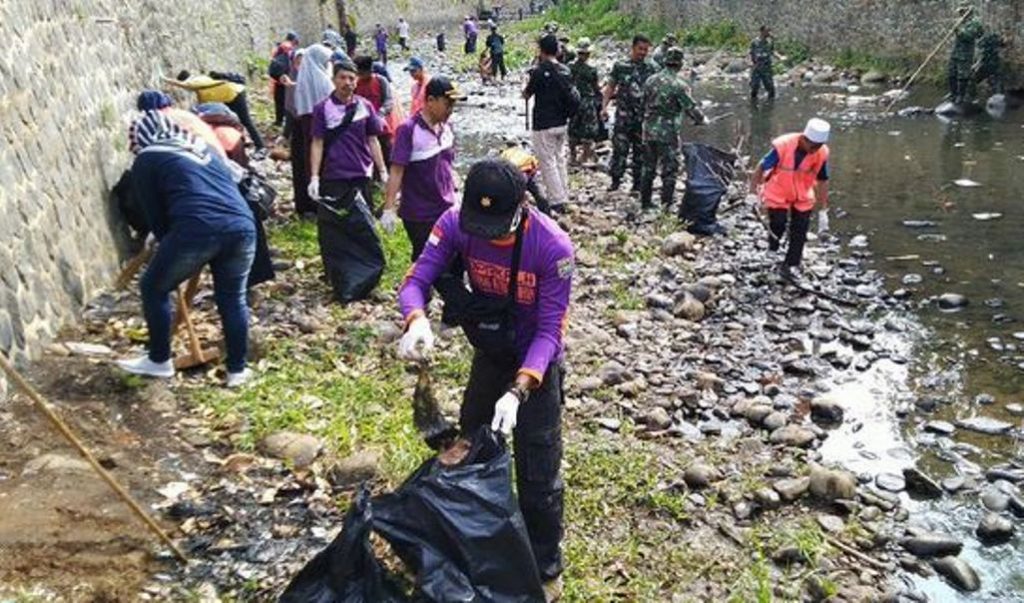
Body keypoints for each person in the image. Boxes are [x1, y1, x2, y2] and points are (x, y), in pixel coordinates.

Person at [397, 158, 574, 603]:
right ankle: (474, 542)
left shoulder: (553, 248)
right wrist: (415, 319)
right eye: (481, 224)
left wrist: (519, 391)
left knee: (537, 470)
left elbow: (551, 330)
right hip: (491, 350)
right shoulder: (455, 223)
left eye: (496, 226)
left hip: (535, 359)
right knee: (471, 447)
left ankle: (545, 565)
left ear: (522, 207)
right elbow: (417, 279)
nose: (486, 234)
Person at [118, 111, 256, 387]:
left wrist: (165, 242)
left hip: (197, 228)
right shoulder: (202, 148)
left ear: (140, 137)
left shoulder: (147, 158)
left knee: (153, 287)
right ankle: (237, 370)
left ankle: (159, 360)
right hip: (242, 226)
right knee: (232, 297)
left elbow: (155, 216)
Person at [382, 76, 464, 260]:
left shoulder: (447, 128)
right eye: (447, 103)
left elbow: (448, 165)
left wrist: (456, 190)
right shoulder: (408, 130)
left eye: (453, 104)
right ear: (430, 100)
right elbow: (396, 170)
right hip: (420, 213)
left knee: (456, 258)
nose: (451, 109)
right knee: (427, 260)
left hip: (447, 206)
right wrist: (389, 208)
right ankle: (419, 289)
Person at [749, 118, 831, 281]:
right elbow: (761, 166)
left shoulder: (821, 153)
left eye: (819, 146)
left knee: (800, 230)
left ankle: (792, 263)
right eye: (813, 146)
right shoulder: (784, 145)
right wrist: (752, 193)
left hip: (803, 194)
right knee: (778, 223)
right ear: (804, 139)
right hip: (778, 191)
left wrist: (823, 211)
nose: (814, 150)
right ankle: (773, 247)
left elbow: (823, 181)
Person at [307, 56, 389, 215]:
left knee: (364, 222)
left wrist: (383, 171)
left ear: (356, 81)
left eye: (351, 78)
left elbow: (373, 140)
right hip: (334, 174)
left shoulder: (365, 106)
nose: (347, 82)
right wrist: (315, 177)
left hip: (362, 172)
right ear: (333, 80)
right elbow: (317, 142)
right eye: (342, 78)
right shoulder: (322, 109)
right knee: (339, 222)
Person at [639, 47, 706, 211]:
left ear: (665, 61)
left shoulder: (650, 80)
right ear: (680, 64)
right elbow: (691, 108)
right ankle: (666, 205)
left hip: (648, 131)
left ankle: (645, 203)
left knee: (648, 167)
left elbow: (642, 103)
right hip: (668, 134)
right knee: (669, 170)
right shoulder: (679, 85)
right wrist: (702, 120)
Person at [524, 34, 575, 215]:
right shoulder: (565, 70)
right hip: (562, 122)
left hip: (544, 123)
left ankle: (556, 200)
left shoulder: (539, 71)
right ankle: (563, 194)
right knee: (559, 158)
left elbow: (526, 94)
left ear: (542, 50)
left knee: (547, 162)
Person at [602, 34, 657, 192]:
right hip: (623, 118)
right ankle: (615, 181)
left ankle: (637, 185)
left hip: (643, 119)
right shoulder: (621, 66)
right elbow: (610, 87)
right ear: (633, 48)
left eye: (646, 50)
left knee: (640, 153)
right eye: (640, 49)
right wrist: (604, 107)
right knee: (620, 151)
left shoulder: (651, 67)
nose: (643, 53)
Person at [165, 70, 266, 151]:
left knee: (245, 120)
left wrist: (167, 80)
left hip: (234, 94)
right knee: (231, 121)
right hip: (228, 96)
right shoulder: (200, 82)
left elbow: (187, 85)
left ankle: (260, 146)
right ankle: (240, 144)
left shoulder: (196, 81)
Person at [292, 44, 335, 216]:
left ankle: (311, 204)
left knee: (309, 166)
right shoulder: (325, 82)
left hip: (305, 131)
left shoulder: (302, 81)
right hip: (324, 130)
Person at [354, 55, 399, 169]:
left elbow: (389, 100)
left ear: (369, 70)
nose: (361, 76)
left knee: (387, 149)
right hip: (363, 124)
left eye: (363, 73)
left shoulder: (380, 81)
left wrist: (380, 113)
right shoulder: (355, 84)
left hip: (381, 123)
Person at [568, 37, 601, 167]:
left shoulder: (570, 67)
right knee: (588, 129)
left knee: (573, 127)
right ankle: (585, 156)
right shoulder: (592, 69)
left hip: (574, 100)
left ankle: (572, 156)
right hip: (587, 100)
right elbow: (596, 87)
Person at [948, 3, 983, 105]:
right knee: (951, 73)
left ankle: (961, 95)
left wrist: (958, 31)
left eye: (962, 11)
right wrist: (957, 28)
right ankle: (953, 93)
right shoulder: (960, 22)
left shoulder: (975, 23)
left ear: (967, 11)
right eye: (959, 11)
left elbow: (969, 36)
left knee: (962, 75)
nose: (960, 13)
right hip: (956, 51)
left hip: (965, 53)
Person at [271, 32, 299, 127]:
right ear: (294, 40)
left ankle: (279, 120)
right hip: (286, 78)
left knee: (278, 100)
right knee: (285, 100)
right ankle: (286, 121)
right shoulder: (289, 48)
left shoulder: (279, 47)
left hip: (277, 78)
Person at [749, 26, 776, 102]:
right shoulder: (754, 42)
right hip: (757, 68)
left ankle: (770, 107)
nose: (769, 33)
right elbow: (750, 53)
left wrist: (780, 56)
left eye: (769, 31)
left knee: (770, 88)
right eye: (767, 31)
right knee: (754, 87)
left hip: (767, 68)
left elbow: (772, 52)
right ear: (761, 32)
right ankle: (753, 106)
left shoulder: (770, 42)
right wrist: (751, 63)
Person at [976, 30, 1004, 95]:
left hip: (987, 64)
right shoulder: (994, 41)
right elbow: (1003, 44)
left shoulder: (984, 42)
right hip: (992, 64)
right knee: (995, 79)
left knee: (993, 79)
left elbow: (980, 47)